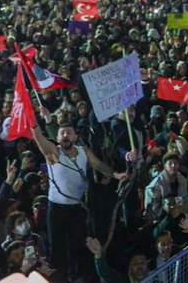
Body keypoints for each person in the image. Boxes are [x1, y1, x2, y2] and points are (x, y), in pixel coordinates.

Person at [32, 113, 128, 283]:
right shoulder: (54, 153)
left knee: (77, 246)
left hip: (76, 208)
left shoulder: (84, 152)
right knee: (58, 250)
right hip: (56, 210)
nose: (66, 136)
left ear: (75, 136)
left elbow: (98, 164)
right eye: (62, 133)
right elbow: (39, 139)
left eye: (69, 132)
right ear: (58, 137)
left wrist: (115, 174)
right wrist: (33, 123)